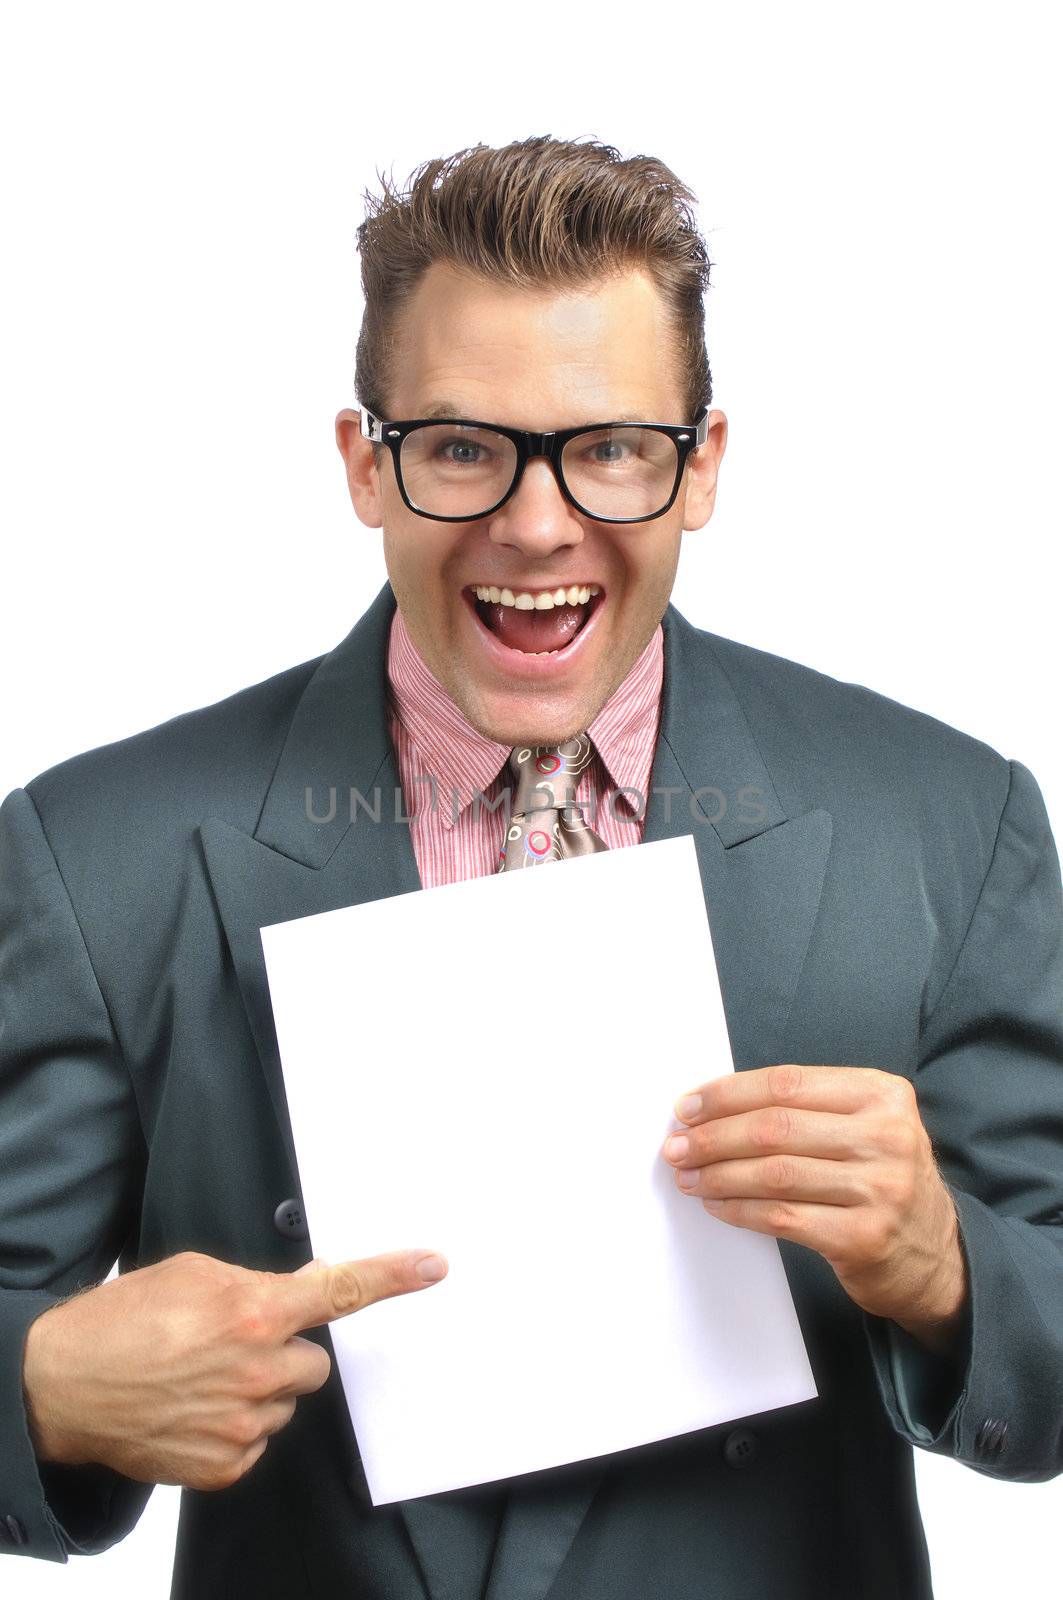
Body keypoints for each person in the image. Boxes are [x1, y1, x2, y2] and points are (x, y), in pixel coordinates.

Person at [1, 135, 1061, 1600]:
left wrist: (948, 1270)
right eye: (460, 446)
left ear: (704, 471)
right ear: (366, 467)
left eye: (613, 446)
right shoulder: (96, 853)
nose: (537, 521)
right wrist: (42, 1390)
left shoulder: (948, 824)